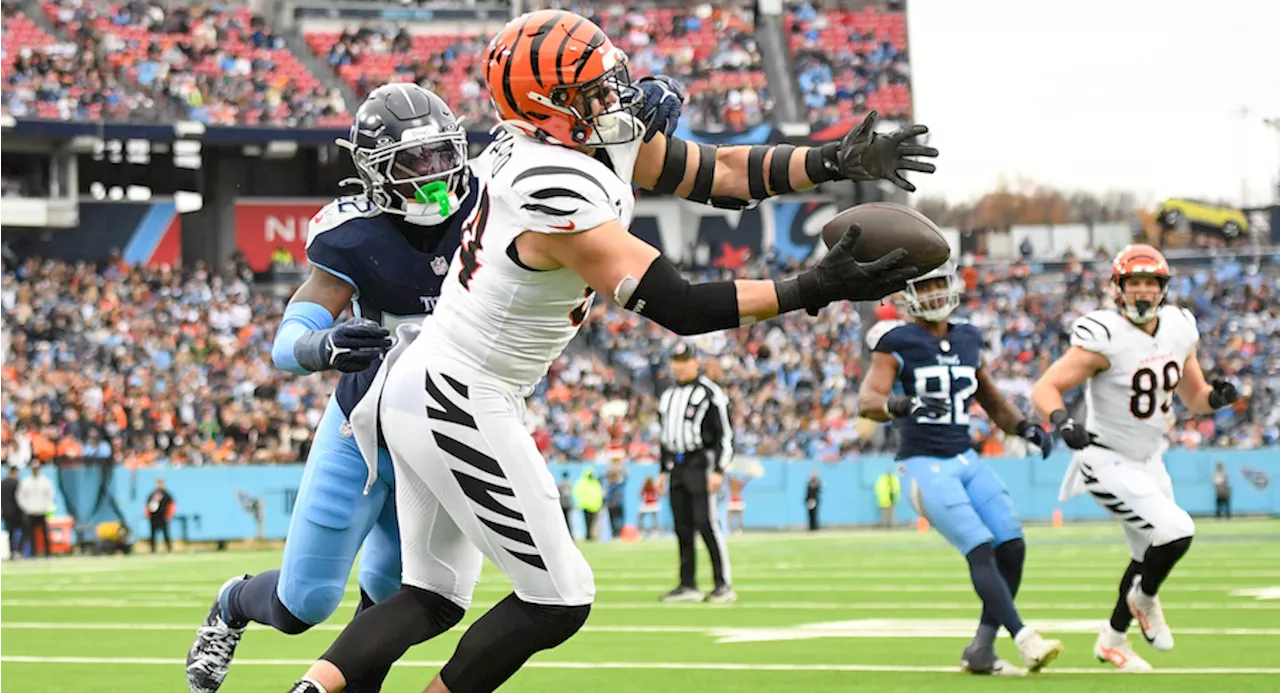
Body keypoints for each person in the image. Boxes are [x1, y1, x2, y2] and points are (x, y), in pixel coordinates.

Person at [281, 10, 936, 693]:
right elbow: (678, 305)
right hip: (460, 392)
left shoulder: (569, 140)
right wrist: (813, 285)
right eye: (591, 91)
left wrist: (834, 160)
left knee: (433, 594)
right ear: (549, 109)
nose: (614, 98)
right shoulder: (544, 184)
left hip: (430, 381)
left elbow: (721, 172)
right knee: (557, 598)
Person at [186, 83, 480, 693]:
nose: (432, 175)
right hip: (365, 430)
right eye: (411, 162)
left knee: (402, 597)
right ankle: (234, 602)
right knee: (305, 603)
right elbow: (290, 336)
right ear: (374, 172)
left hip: (446, 433)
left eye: (441, 156)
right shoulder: (355, 234)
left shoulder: (492, 200)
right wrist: (322, 346)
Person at [1031, 244, 1239, 673]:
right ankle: (1144, 601)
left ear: (1163, 289)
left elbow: (1193, 397)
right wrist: (1062, 421)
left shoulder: (1180, 328)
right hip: (1105, 461)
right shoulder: (1103, 335)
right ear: (1118, 288)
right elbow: (1044, 388)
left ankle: (1112, 640)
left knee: (1147, 554)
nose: (1143, 291)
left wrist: (1214, 399)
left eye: (1151, 283)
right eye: (1134, 283)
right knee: (1177, 530)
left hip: (1150, 459)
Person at [858, 260, 1061, 676]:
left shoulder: (968, 336)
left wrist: (1024, 427)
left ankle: (982, 649)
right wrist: (904, 404)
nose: (933, 294)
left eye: (938, 284)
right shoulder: (896, 341)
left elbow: (990, 397)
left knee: (1012, 545)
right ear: (908, 295)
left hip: (965, 458)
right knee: (981, 547)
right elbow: (867, 402)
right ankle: (1024, 638)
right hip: (922, 464)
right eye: (924, 286)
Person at [657, 343, 735, 603]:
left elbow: (724, 434)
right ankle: (687, 584)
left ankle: (723, 584)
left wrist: (719, 470)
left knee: (706, 523)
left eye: (684, 360)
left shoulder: (710, 393)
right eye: (676, 360)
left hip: (701, 463)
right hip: (677, 466)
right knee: (682, 526)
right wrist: (662, 469)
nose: (679, 365)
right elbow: (665, 436)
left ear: (695, 362)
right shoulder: (667, 396)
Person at [17, 461, 55, 558]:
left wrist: (47, 506)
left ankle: (48, 553)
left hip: (41, 511)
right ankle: (33, 553)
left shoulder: (45, 481)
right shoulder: (26, 482)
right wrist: (26, 507)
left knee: (44, 533)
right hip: (30, 511)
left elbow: (50, 495)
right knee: (31, 534)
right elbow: (20, 496)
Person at [146, 478, 175, 554]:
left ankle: (169, 549)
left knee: (166, 534)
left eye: (161, 483)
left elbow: (172, 505)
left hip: (163, 517)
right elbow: (147, 505)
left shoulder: (166, 494)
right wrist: (148, 515)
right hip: (154, 517)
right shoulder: (152, 494)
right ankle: (153, 550)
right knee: (152, 535)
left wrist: (169, 515)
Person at [1, 466, 22, 558]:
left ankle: (10, 552)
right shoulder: (16, 483)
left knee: (9, 532)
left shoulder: (2, 484)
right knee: (24, 530)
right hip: (16, 512)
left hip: (5, 511)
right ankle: (17, 550)